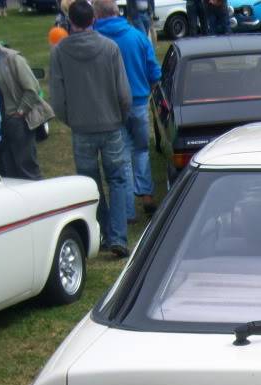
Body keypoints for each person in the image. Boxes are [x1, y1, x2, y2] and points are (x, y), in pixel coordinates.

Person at [50, 0, 132, 257]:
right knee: (117, 179)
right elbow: (123, 92)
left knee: (91, 183)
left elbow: (57, 97)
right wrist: (120, 116)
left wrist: (71, 120)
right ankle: (116, 235)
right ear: (93, 19)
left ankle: (108, 233)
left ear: (69, 21)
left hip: (82, 127)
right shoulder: (109, 48)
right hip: (110, 124)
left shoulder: (60, 52)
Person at [92, 0, 161, 217]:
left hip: (110, 105)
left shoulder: (95, 39)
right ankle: (147, 195)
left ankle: (128, 209)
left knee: (122, 155)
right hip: (138, 100)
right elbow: (154, 72)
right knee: (141, 150)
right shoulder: (137, 36)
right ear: (117, 12)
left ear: (98, 14)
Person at [0, 25, 53, 180]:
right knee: (7, 170)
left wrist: (21, 111)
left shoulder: (13, 59)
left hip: (17, 122)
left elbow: (32, 88)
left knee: (26, 168)